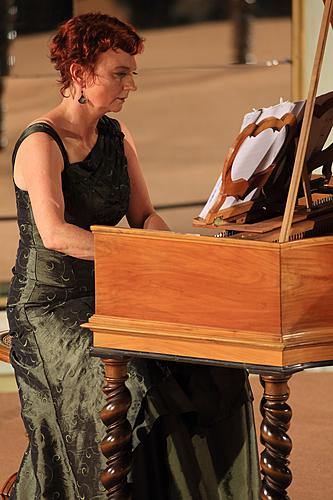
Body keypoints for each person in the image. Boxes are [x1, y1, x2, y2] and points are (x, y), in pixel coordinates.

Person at [6, 12, 260, 500]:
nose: (130, 86)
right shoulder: (42, 142)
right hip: (48, 307)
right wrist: (139, 254)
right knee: (136, 377)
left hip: (114, 291)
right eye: (119, 73)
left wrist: (166, 248)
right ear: (80, 75)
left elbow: (144, 215)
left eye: (131, 74)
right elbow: (56, 235)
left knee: (212, 362)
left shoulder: (117, 137)